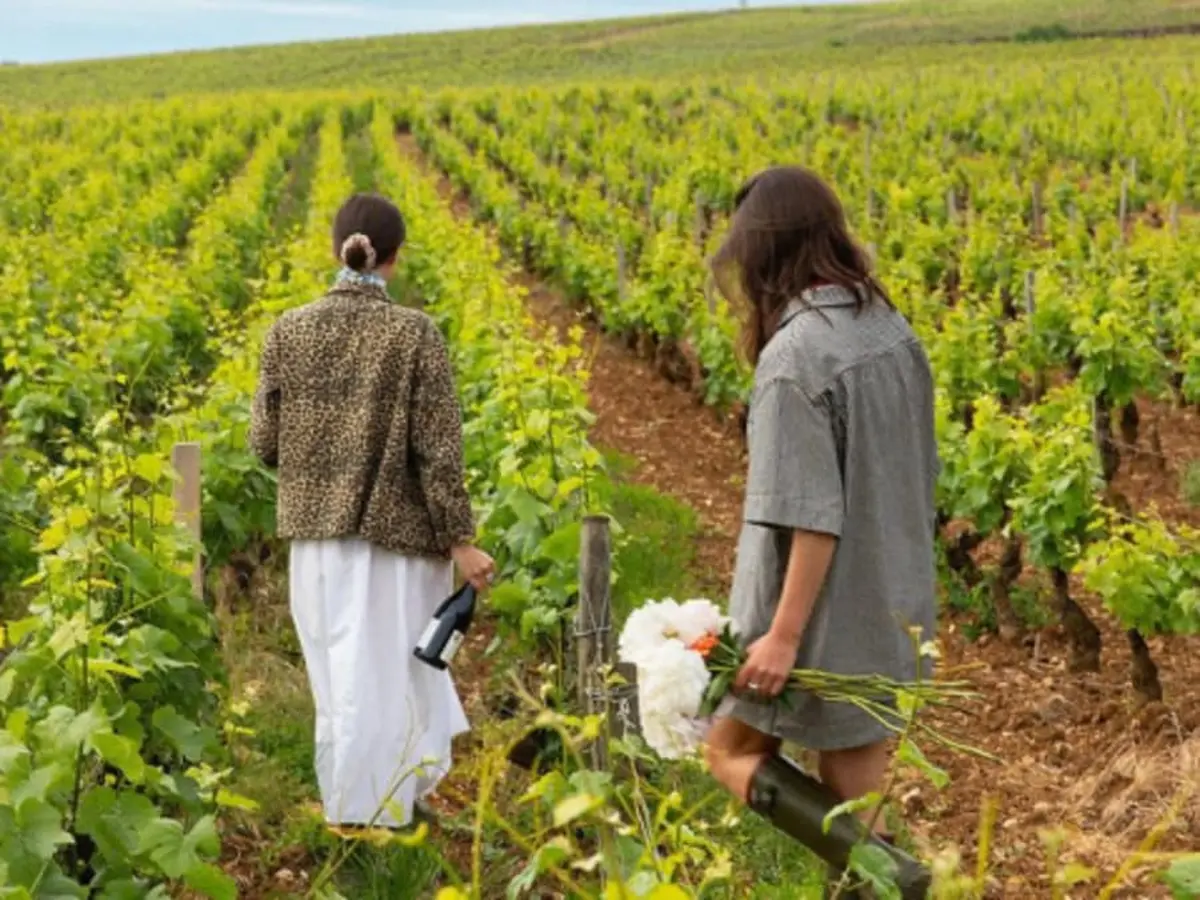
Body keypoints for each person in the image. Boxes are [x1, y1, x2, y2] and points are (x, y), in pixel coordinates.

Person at [702, 167, 937, 898]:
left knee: (725, 753)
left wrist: (781, 636)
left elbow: (810, 515)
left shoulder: (794, 359)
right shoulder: (889, 327)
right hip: (889, 600)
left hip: (816, 618)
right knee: (859, 803)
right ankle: (881, 886)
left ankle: (892, 884)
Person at [249, 192, 495, 833]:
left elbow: (264, 444)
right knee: (389, 680)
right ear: (395, 257)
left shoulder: (288, 329)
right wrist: (461, 542)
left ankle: (353, 808)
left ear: (338, 249)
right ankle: (378, 816)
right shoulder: (414, 333)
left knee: (339, 682)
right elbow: (438, 452)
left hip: (314, 541)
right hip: (396, 542)